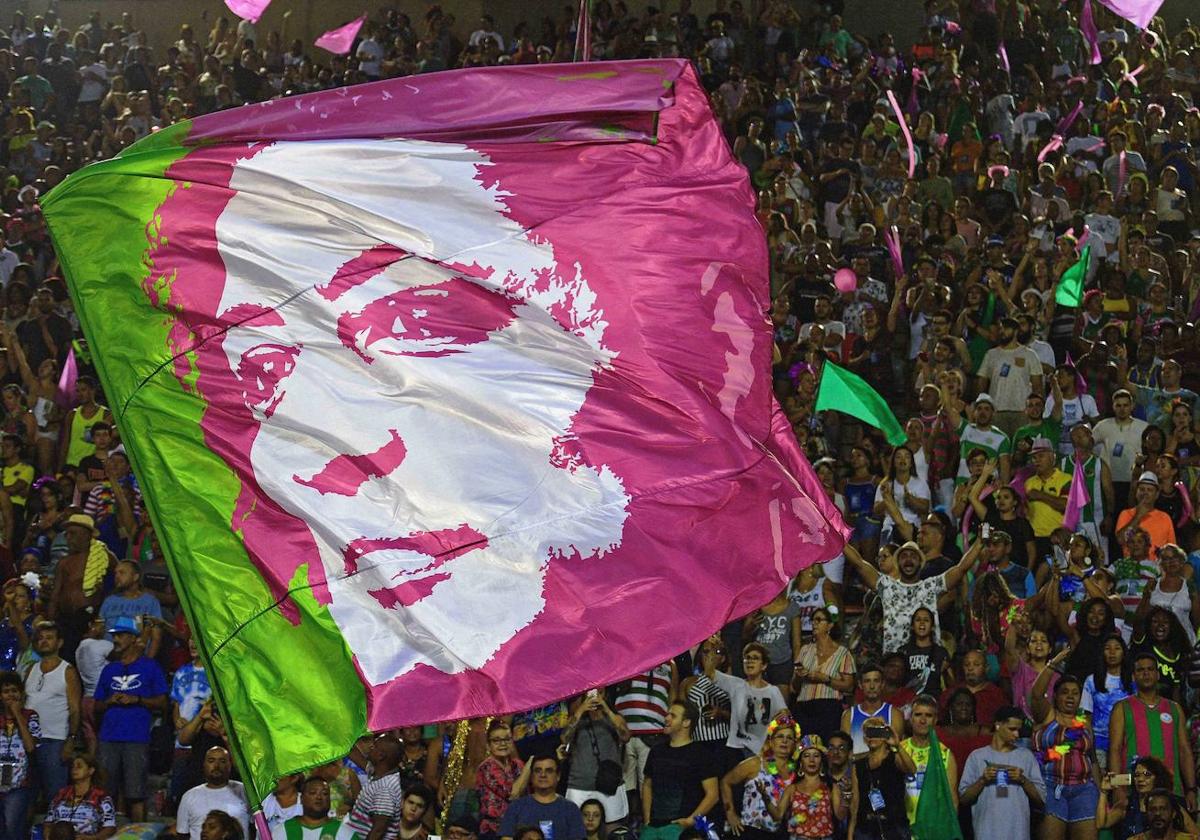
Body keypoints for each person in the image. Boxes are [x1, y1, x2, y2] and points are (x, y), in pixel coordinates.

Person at [843, 539, 982, 655]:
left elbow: (961, 568)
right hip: (894, 663)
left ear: (921, 563)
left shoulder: (930, 586)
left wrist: (980, 542)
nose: (908, 560)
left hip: (926, 661)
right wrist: (834, 535)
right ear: (897, 563)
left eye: (913, 556)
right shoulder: (887, 586)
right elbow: (858, 563)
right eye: (904, 556)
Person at [93, 615, 167, 821]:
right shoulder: (109, 669)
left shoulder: (150, 667)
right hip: (108, 737)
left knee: (136, 794)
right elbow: (96, 705)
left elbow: (162, 702)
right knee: (103, 794)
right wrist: (109, 702)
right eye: (115, 636)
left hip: (136, 738)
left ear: (134, 639)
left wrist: (137, 699)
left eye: (121, 635)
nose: (116, 640)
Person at [1108, 654, 1195, 808]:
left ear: (1158, 674)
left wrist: (1191, 789)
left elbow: (1184, 751)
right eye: (1140, 670)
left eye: (1150, 669)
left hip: (1172, 790)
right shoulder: (1122, 708)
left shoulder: (1175, 708)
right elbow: (1115, 749)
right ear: (1134, 676)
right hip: (1133, 791)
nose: (1146, 673)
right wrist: (1117, 788)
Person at [959, 706, 1046, 840]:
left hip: (1018, 833)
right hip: (985, 832)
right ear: (998, 725)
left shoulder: (1026, 756)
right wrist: (983, 780)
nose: (1017, 734)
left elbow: (1041, 800)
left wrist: (1023, 780)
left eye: (1018, 730)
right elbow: (964, 799)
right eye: (1012, 729)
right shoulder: (977, 756)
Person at [1031, 676, 1099, 838]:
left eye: (1075, 693)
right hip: (1050, 785)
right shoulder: (1046, 715)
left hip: (1084, 789)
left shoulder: (1084, 723)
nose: (1070, 696)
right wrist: (1053, 664)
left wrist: (1100, 790)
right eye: (1065, 692)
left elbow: (1093, 760)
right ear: (1055, 696)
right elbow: (1036, 694)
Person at [23, 620, 83, 803]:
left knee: (55, 796)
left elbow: (75, 709)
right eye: (40, 638)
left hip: (54, 740)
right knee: (28, 794)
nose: (44, 641)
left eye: (49, 638)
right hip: (30, 740)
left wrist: (70, 740)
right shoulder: (31, 669)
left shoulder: (68, 671)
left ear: (59, 643)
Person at [640, 701, 717, 840]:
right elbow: (647, 784)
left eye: (673, 715)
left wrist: (690, 821)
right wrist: (647, 819)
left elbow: (712, 795)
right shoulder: (656, 751)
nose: (666, 718)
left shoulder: (701, 753)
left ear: (686, 722)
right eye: (667, 714)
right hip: (652, 827)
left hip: (681, 829)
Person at [720, 714, 799, 840]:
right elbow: (726, 782)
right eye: (780, 737)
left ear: (794, 744)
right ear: (771, 741)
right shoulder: (755, 763)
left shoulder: (797, 771)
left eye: (789, 738)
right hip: (750, 832)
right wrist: (730, 813)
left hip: (779, 834)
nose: (784, 741)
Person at [561, 690, 629, 823]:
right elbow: (564, 738)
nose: (595, 694)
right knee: (577, 830)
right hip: (579, 785)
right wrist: (581, 710)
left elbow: (625, 736)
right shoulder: (577, 719)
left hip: (609, 784)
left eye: (600, 692)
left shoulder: (614, 717)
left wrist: (606, 709)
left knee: (612, 829)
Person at [791, 606, 856, 742]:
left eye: (819, 620)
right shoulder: (804, 650)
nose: (814, 623)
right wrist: (799, 676)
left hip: (828, 708)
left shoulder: (842, 653)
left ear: (830, 625)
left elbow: (849, 686)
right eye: (812, 620)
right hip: (804, 707)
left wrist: (825, 679)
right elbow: (794, 687)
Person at [845, 714, 912, 839]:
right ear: (864, 738)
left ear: (884, 735)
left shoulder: (895, 757)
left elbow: (911, 770)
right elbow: (855, 803)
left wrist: (897, 746)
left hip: (894, 828)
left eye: (876, 732)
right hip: (866, 829)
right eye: (869, 733)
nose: (872, 737)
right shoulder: (858, 765)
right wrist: (850, 835)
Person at [715, 644, 787, 757]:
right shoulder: (736, 685)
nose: (750, 661)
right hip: (737, 749)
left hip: (762, 751)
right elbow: (710, 672)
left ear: (764, 665)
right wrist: (715, 648)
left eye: (755, 658)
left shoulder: (773, 691)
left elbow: (785, 717)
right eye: (747, 658)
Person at [898, 694, 957, 830]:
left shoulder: (945, 754)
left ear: (935, 720)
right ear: (911, 718)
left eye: (928, 716)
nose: (923, 720)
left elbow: (952, 799)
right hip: (902, 827)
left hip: (933, 828)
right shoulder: (899, 750)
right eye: (918, 715)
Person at [765, 735, 835, 840]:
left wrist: (847, 794)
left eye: (816, 756)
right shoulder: (792, 789)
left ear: (821, 762)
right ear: (801, 763)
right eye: (806, 756)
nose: (812, 760)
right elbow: (777, 816)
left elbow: (841, 815)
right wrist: (765, 799)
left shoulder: (831, 787)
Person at [499, 754, 585, 840]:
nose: (543, 775)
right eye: (538, 770)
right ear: (531, 776)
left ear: (558, 776)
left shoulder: (570, 809)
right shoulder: (516, 807)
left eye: (549, 771)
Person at [175, 747, 250, 840]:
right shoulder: (189, 796)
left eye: (222, 761)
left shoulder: (245, 791)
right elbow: (182, 835)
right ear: (204, 765)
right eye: (211, 761)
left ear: (230, 765)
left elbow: (256, 827)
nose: (216, 765)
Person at [340, 735, 406, 840]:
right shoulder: (379, 772)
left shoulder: (385, 788)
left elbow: (378, 831)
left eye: (375, 746)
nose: (371, 746)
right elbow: (354, 753)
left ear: (381, 756)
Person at [0, 670, 40, 840]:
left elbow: (31, 747)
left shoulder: (30, 716)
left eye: (14, 690)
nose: (10, 695)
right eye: (6, 691)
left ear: (21, 693)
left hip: (19, 784)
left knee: (12, 829)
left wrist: (17, 714)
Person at [46, 755, 117, 840]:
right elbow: (48, 822)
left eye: (79, 766)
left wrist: (91, 838)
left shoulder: (102, 797)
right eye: (72, 766)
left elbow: (110, 828)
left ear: (91, 770)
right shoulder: (61, 794)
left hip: (88, 838)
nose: (74, 769)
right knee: (62, 829)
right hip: (59, 836)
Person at [841, 663, 903, 757]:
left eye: (876, 681)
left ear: (882, 684)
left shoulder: (894, 714)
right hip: (857, 771)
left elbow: (895, 751)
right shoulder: (849, 715)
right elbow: (845, 753)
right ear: (860, 685)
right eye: (867, 681)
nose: (872, 686)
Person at [476, 721, 524, 840]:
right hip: (494, 830)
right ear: (488, 745)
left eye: (507, 739)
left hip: (519, 827)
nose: (503, 744)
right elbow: (511, 793)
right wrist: (529, 767)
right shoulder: (486, 767)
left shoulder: (517, 765)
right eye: (496, 740)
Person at [271, 776, 341, 840]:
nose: (319, 797)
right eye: (313, 793)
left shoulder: (345, 833)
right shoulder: (281, 832)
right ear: (301, 798)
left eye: (325, 793)